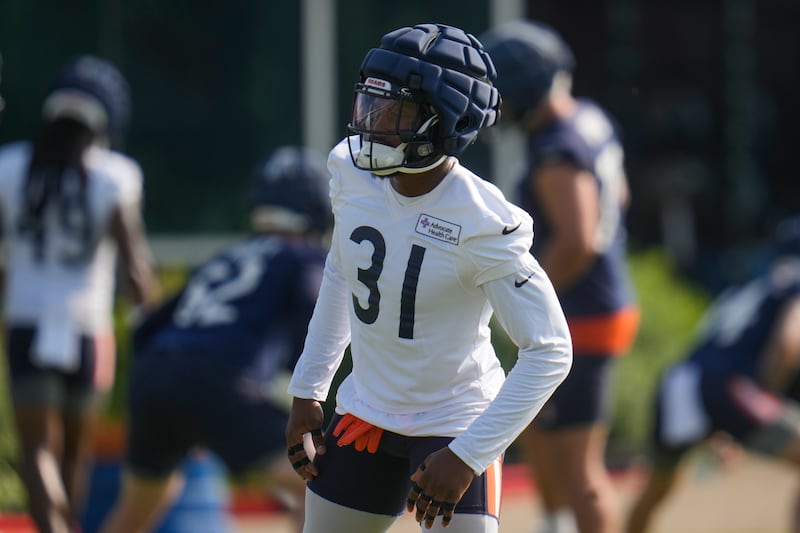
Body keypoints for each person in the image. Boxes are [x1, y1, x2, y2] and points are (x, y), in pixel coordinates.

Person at [284, 22, 573, 533]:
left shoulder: (484, 221)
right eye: (370, 103)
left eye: (394, 109)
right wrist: (309, 388)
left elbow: (550, 349)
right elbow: (342, 271)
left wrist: (468, 455)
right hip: (367, 411)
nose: (373, 121)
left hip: (455, 421)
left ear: (444, 120)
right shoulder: (349, 172)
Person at [98, 145, 332, 533]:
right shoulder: (304, 259)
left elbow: (147, 328)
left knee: (142, 504)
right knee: (321, 486)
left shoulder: (227, 257)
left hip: (155, 372)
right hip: (219, 377)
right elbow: (312, 312)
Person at [481, 20, 641, 533]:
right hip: (594, 305)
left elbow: (579, 238)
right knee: (544, 443)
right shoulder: (589, 119)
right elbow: (618, 199)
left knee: (579, 468)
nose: (496, 106)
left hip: (581, 314)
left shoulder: (557, 147)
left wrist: (522, 297)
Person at [0, 55, 159, 533]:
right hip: (87, 327)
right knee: (75, 453)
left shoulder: (9, 166)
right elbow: (135, 271)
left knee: (36, 450)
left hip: (27, 320)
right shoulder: (115, 174)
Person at [625, 215, 800, 533]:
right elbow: (788, 344)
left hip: (680, 381)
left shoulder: (752, 285)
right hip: (726, 385)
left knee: (658, 487)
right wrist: (765, 394)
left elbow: (708, 344)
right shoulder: (794, 283)